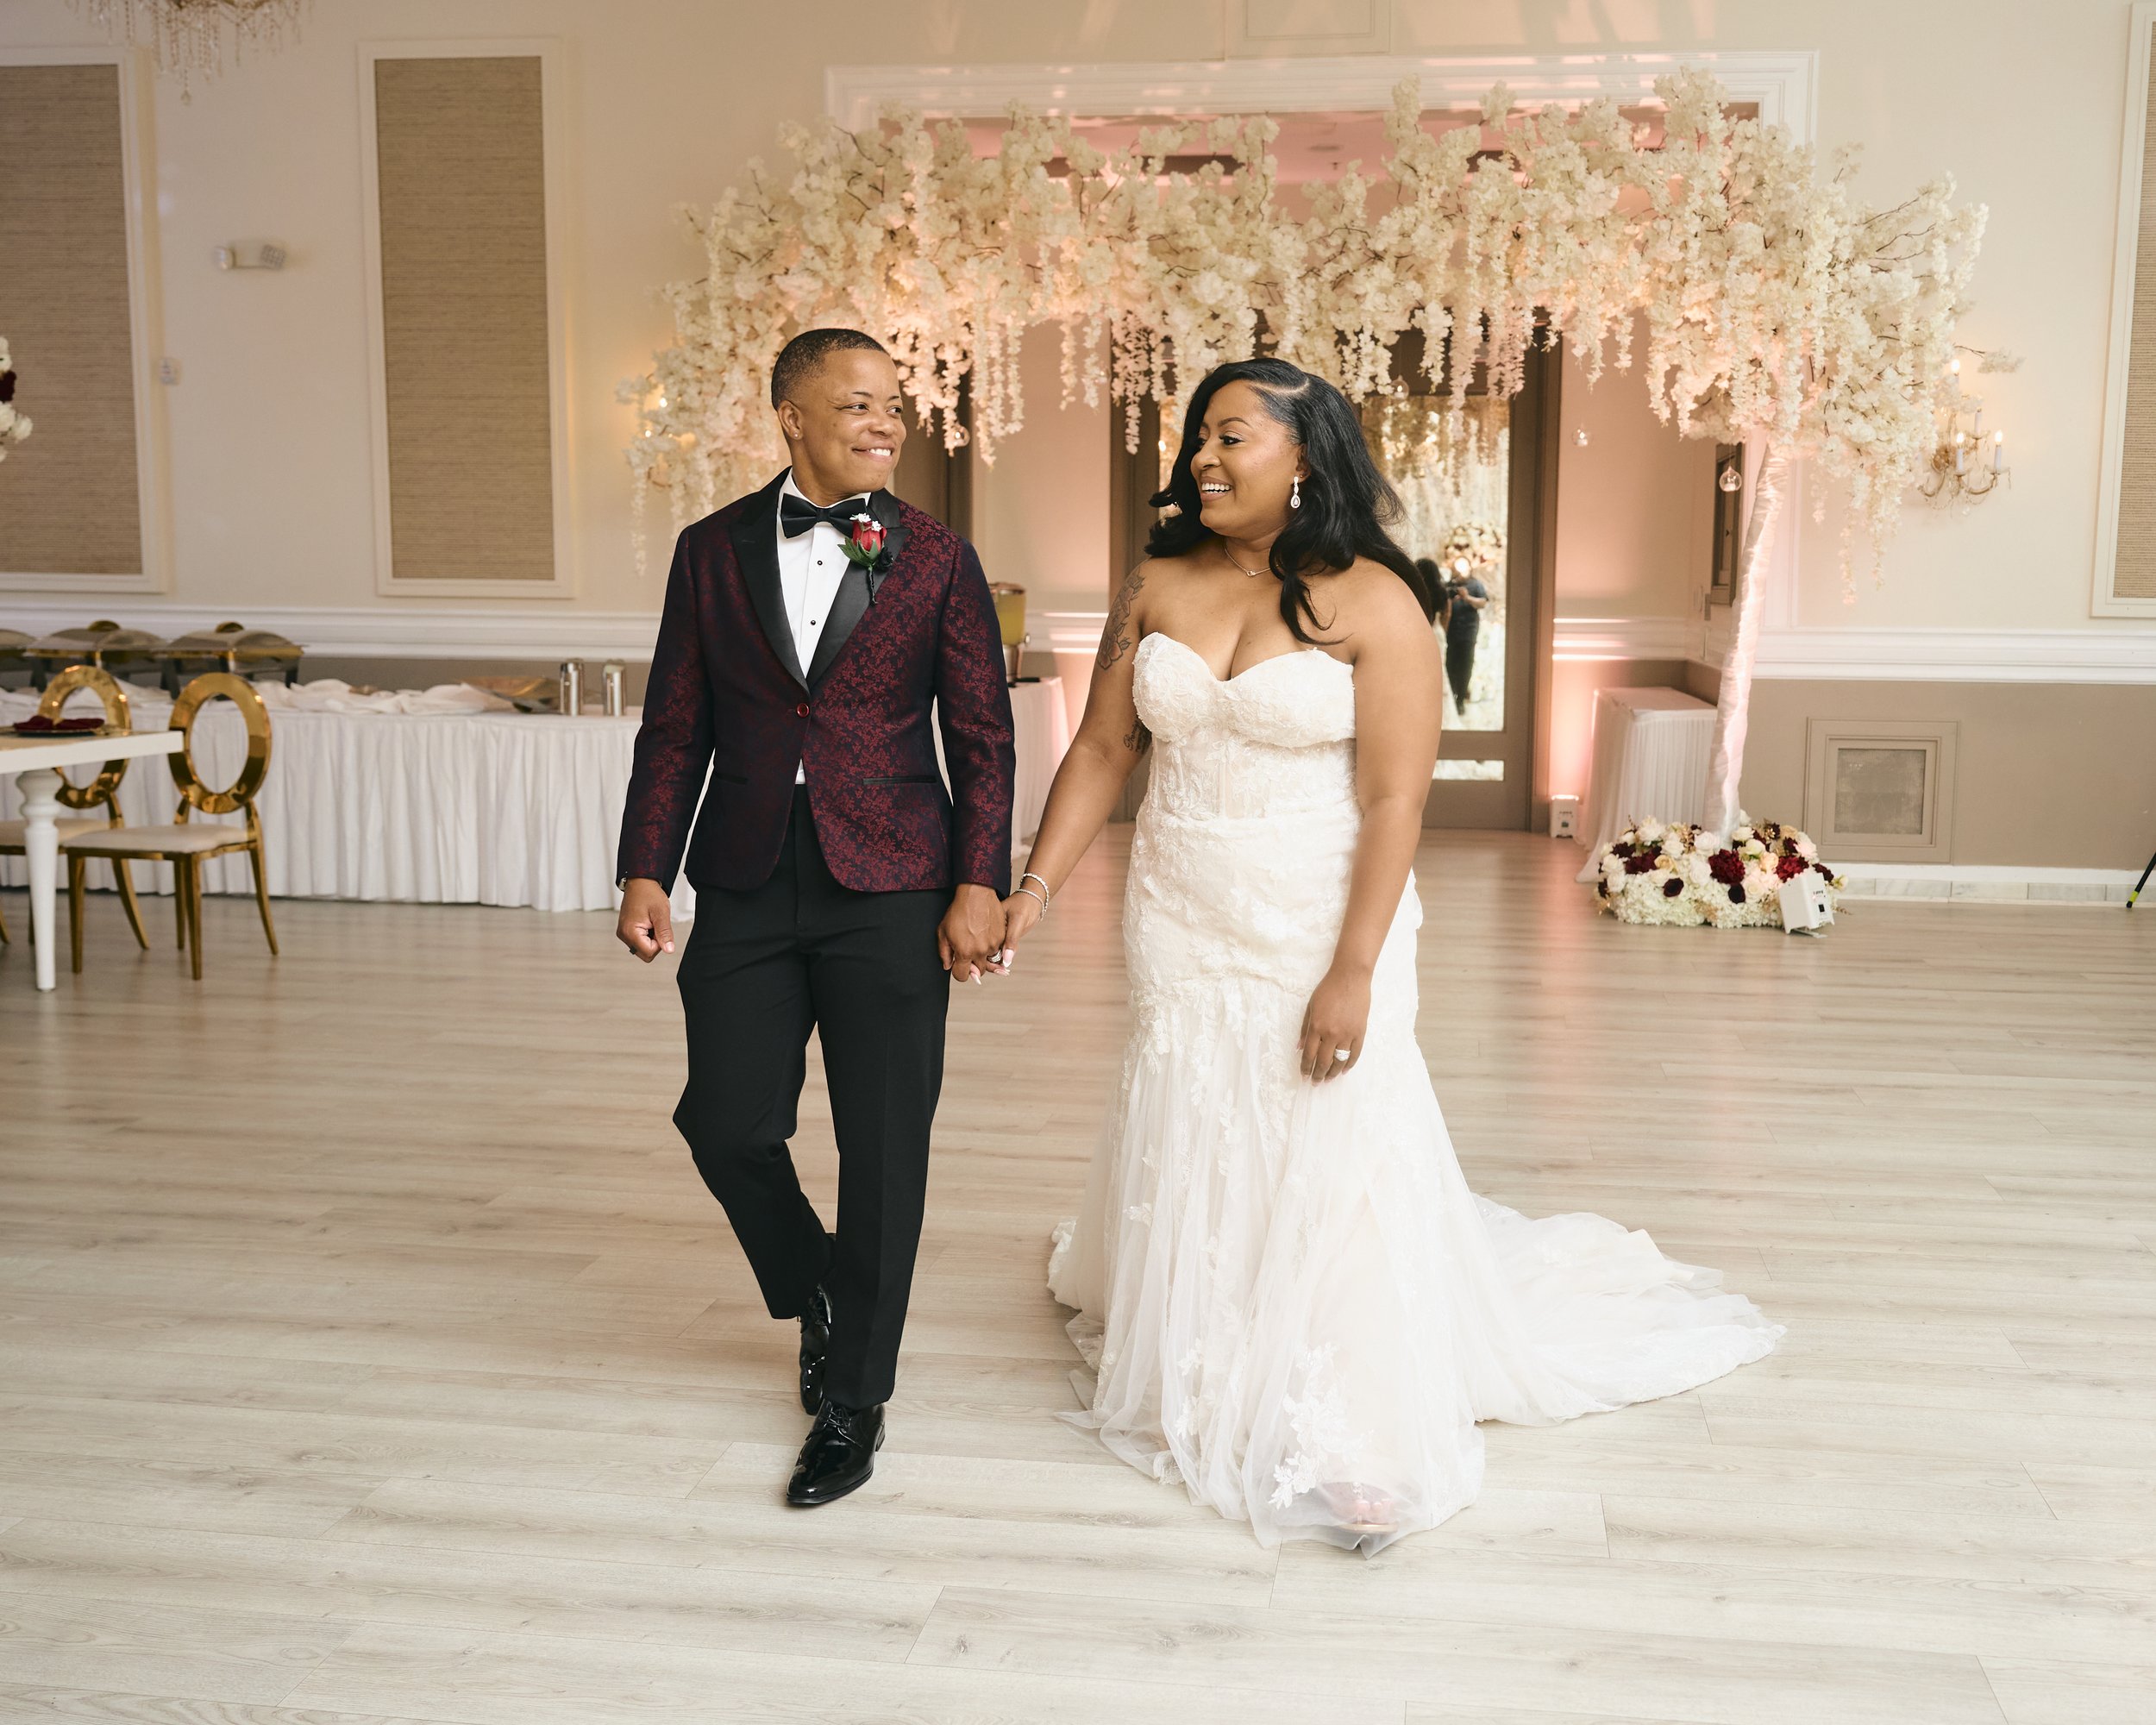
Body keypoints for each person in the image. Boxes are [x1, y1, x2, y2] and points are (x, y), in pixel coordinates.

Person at [1000, 357, 1779, 1553]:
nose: (1202, 457)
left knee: (1331, 1132)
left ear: (1304, 457)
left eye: (1231, 435)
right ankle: (1198, 1338)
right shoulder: (1153, 582)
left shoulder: (1380, 600)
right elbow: (1104, 751)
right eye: (1198, 435)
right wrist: (1035, 888)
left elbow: (1394, 801)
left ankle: (1355, 1419)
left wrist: (1353, 967)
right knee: (1195, 1102)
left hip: (1319, 913)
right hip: (1180, 905)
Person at [616, 328, 1015, 1509]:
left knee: (884, 1145)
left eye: (894, 404)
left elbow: (982, 737)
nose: (886, 424)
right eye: (858, 404)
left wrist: (980, 881)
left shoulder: (938, 557)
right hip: (745, 872)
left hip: (894, 880)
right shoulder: (710, 550)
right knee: (725, 1121)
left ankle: (855, 1395)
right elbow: (674, 723)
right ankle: (818, 1286)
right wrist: (646, 865)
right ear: (792, 417)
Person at [1441, 559, 1489, 717]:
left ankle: (1460, 699)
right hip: (1451, 631)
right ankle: (1451, 698)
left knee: (1466, 665)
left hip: (1468, 631)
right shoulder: (1450, 584)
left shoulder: (1476, 584)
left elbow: (1483, 603)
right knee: (1450, 665)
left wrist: (1467, 598)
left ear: (1470, 567)